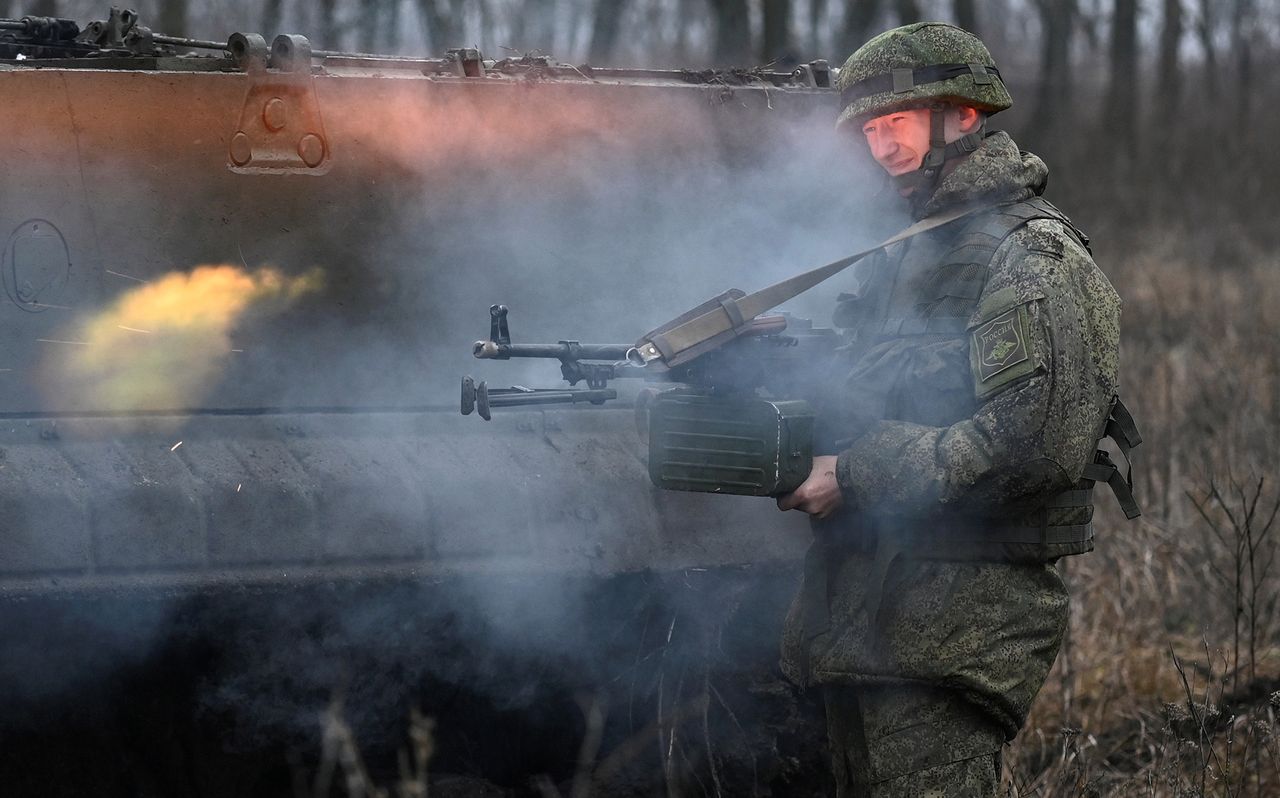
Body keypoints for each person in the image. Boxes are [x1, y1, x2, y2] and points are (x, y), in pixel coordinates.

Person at [774, 22, 1141, 797]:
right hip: (869, 612)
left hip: (956, 621)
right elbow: (865, 389)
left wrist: (860, 471)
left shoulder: (1032, 254)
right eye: (872, 129)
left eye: (898, 122)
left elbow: (1035, 441)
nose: (884, 146)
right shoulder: (906, 255)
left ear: (963, 115)